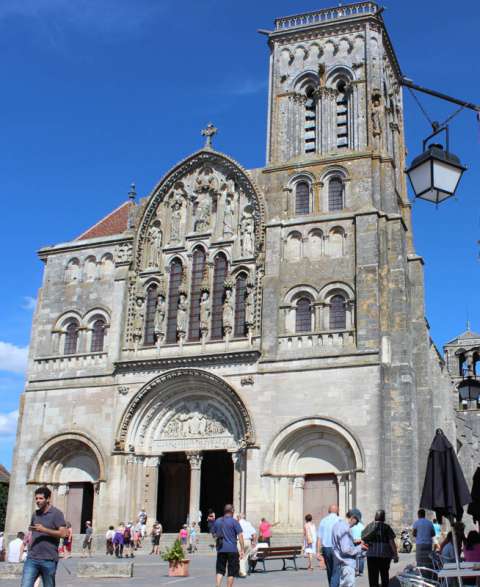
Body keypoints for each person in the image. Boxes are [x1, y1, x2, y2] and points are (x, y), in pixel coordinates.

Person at [20, 485, 67, 587]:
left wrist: (44, 529)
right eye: (36, 498)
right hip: (32, 558)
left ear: (48, 499)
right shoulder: (35, 514)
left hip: (49, 559)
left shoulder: (57, 514)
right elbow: (33, 531)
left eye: (41, 498)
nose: (38, 501)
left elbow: (64, 533)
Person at [332, 508, 368, 587]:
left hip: (339, 563)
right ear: (353, 518)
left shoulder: (337, 525)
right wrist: (360, 547)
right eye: (357, 521)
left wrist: (356, 543)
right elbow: (346, 549)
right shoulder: (345, 528)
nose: (356, 524)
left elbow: (341, 544)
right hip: (346, 564)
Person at [362, 510, 398, 587]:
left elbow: (364, 539)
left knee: (373, 578)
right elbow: (392, 542)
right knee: (384, 576)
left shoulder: (369, 526)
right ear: (383, 517)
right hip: (384, 556)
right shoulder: (387, 527)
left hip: (371, 556)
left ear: (375, 517)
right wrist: (395, 555)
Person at [213, 504, 245, 587]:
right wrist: (242, 549)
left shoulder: (218, 521)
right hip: (232, 550)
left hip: (221, 549)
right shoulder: (234, 522)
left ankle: (218, 585)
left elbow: (214, 534)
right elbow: (240, 536)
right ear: (232, 511)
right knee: (231, 571)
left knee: (220, 570)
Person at [317, 504, 340, 586]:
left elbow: (319, 538)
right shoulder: (340, 520)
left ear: (329, 511)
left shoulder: (323, 520)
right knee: (336, 571)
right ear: (337, 511)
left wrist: (318, 552)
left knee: (329, 571)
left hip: (326, 548)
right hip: (336, 548)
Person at [237, 513, 257, 578]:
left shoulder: (237, 523)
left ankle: (243, 572)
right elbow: (254, 534)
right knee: (244, 557)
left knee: (241, 556)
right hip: (248, 541)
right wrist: (253, 542)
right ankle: (241, 570)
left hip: (240, 541)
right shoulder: (248, 523)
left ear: (238, 517)